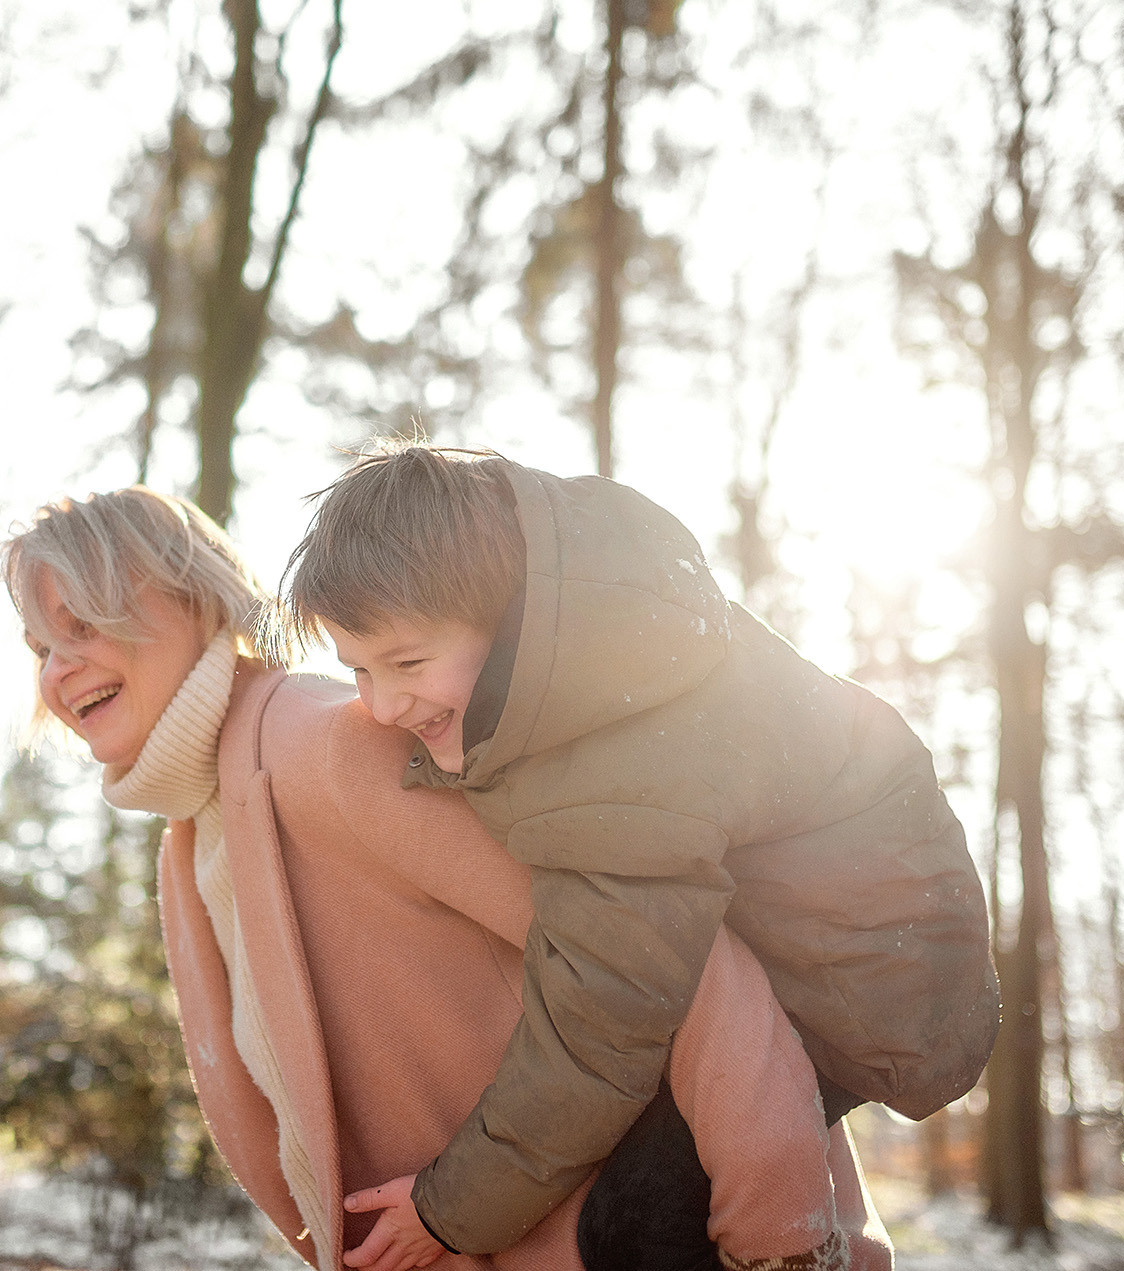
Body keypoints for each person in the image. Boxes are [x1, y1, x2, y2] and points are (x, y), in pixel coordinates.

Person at [1, 486, 892, 1271]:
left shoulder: (325, 748)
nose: (56, 669)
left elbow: (680, 961)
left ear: (193, 598)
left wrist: (790, 1243)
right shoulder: (195, 834)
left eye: (83, 622)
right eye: (41, 643)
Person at [276, 445, 1000, 1266]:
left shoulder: (616, 751)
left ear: (511, 614)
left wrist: (450, 1207)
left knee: (638, 1223)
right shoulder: (587, 639)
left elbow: (600, 1024)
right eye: (357, 670)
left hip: (873, 977)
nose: (379, 704)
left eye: (407, 662)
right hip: (848, 913)